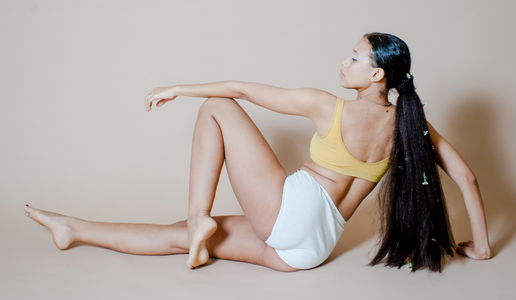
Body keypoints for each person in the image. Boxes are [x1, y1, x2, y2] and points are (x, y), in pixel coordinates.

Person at [24, 32, 492, 272]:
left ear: (376, 76)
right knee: (184, 240)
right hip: (311, 250)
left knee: (216, 107)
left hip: (292, 212)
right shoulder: (412, 127)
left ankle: (196, 215)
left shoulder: (325, 105)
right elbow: (467, 178)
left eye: (354, 57)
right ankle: (73, 229)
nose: (344, 61)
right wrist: (483, 246)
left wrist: (179, 88)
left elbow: (240, 90)